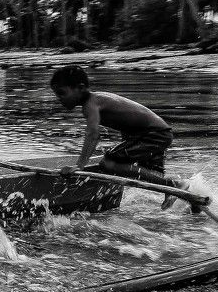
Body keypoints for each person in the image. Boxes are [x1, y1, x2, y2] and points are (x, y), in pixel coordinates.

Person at [49, 65, 189, 209]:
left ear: (80, 87)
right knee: (152, 174)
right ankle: (185, 197)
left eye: (62, 93)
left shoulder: (90, 105)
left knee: (107, 163)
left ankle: (174, 185)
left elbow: (93, 135)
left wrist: (79, 166)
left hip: (153, 134)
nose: (60, 99)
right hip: (156, 133)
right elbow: (128, 122)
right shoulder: (97, 98)